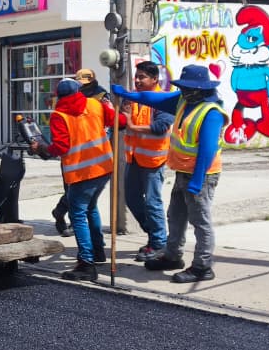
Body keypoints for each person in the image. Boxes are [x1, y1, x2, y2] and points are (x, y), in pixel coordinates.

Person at [113, 64, 227, 284]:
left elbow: (207, 149)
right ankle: (172, 256)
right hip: (183, 171)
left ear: (201, 88)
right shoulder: (184, 101)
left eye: (188, 87)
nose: (183, 90)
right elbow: (154, 99)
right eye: (182, 86)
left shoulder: (211, 112)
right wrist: (127, 94)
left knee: (200, 221)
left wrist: (197, 178)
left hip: (201, 176)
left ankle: (202, 266)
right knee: (175, 217)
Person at [31, 77, 116, 283]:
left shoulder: (59, 115)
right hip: (104, 167)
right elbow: (118, 123)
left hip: (81, 172)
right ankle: (98, 251)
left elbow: (60, 147)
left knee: (78, 214)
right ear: (78, 91)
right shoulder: (95, 104)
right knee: (91, 208)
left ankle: (86, 264)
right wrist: (111, 108)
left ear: (58, 96)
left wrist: (40, 148)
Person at [120, 61, 174, 261]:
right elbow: (123, 122)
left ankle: (159, 243)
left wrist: (132, 126)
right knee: (132, 199)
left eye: (142, 77)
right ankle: (155, 237)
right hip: (133, 157)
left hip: (153, 160)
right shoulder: (133, 98)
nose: (138, 80)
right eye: (137, 76)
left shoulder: (163, 100)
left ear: (154, 79)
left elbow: (161, 127)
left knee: (152, 203)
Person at [50, 68, 109, 236]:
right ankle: (63, 214)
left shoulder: (101, 98)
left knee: (85, 199)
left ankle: (78, 229)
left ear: (93, 82)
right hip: (75, 154)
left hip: (95, 153)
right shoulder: (67, 102)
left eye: (86, 84)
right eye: (81, 85)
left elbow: (111, 122)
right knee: (73, 192)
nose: (84, 88)